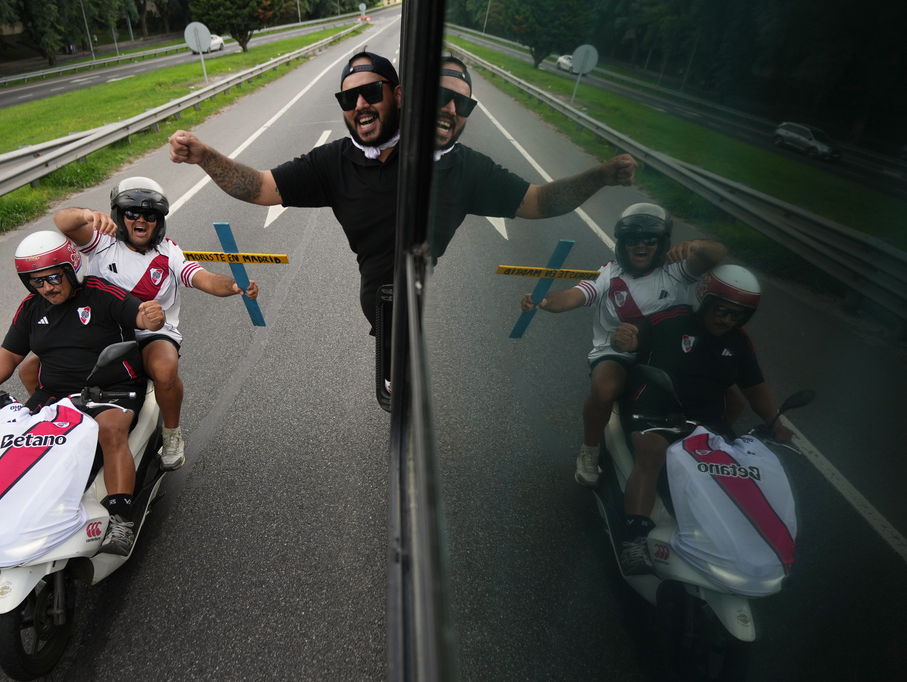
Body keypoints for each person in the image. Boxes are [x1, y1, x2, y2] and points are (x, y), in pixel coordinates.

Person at [167, 51, 637, 394]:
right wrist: (205, 156)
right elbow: (261, 187)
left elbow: (538, 202)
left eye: (463, 105)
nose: (360, 105)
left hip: (410, 299)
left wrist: (600, 176)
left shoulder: (465, 169)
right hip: (380, 302)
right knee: (395, 381)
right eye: (349, 99)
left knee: (403, 387)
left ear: (396, 96)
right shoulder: (335, 162)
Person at [18, 177, 258, 471]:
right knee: (30, 367)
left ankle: (171, 434)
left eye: (150, 215)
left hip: (150, 332)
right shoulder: (99, 242)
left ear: (159, 222)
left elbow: (203, 278)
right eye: (132, 213)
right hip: (98, 330)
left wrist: (234, 285)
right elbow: (62, 221)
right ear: (120, 216)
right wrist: (86, 216)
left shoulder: (170, 253)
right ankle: (56, 419)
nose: (141, 220)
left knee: (165, 369)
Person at [0, 231, 166, 556]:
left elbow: (141, 315)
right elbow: (10, 353)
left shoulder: (101, 293)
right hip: (56, 392)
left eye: (53, 278)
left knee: (110, 430)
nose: (46, 287)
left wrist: (151, 316)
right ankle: (10, 517)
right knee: (19, 439)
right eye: (37, 281)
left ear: (71, 268)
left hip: (113, 388)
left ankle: (120, 520)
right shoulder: (32, 308)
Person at [521, 203, 728, 487]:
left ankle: (722, 446)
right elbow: (573, 296)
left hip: (668, 354)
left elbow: (717, 255)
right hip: (616, 353)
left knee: (725, 385)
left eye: (650, 240)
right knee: (604, 388)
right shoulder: (609, 272)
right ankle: (589, 450)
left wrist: (697, 245)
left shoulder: (679, 270)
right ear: (623, 244)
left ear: (662, 242)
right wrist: (544, 301)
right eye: (632, 240)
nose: (640, 245)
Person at [610, 264, 794, 574]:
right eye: (721, 310)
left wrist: (774, 421)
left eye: (737, 315)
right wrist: (624, 339)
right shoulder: (670, 320)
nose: (727, 320)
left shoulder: (738, 341)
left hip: (706, 421)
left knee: (737, 468)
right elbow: (632, 337)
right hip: (653, 411)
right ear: (704, 299)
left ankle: (728, 541)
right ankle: (634, 540)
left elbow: (755, 387)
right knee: (653, 453)